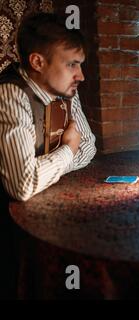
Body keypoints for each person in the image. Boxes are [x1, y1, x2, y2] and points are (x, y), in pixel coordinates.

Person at [0, 12, 96, 298]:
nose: (81, 75)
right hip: (8, 230)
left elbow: (89, 147)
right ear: (38, 62)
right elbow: (22, 186)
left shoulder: (66, 88)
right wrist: (66, 150)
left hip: (43, 208)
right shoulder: (9, 93)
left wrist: (48, 169)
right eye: (72, 65)